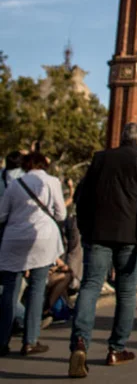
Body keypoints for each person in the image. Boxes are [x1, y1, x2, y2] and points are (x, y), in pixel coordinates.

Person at [68, 123, 137, 378]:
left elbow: (81, 198)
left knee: (90, 286)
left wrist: (86, 229)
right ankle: (116, 349)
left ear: (120, 137)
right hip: (130, 238)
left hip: (98, 234)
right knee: (127, 293)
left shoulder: (101, 158)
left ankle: (80, 343)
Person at [0, 153, 66, 357]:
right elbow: (61, 214)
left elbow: (2, 214)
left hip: (14, 238)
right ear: (44, 164)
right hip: (42, 238)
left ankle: (2, 340)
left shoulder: (15, 183)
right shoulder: (52, 182)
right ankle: (30, 340)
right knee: (37, 288)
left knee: (10, 291)